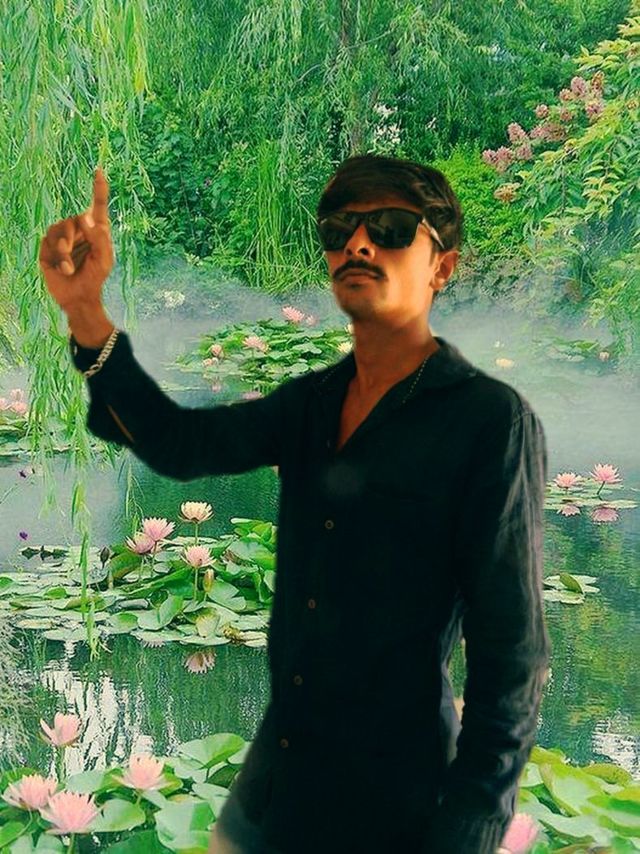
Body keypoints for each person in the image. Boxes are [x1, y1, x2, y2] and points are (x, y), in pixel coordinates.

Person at [39, 154, 551, 854]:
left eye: (391, 228)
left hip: (396, 804)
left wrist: (469, 832)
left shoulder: (489, 421)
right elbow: (180, 444)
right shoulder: (312, 403)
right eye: (340, 229)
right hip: (275, 790)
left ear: (443, 265)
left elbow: (512, 658)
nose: (358, 244)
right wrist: (85, 313)